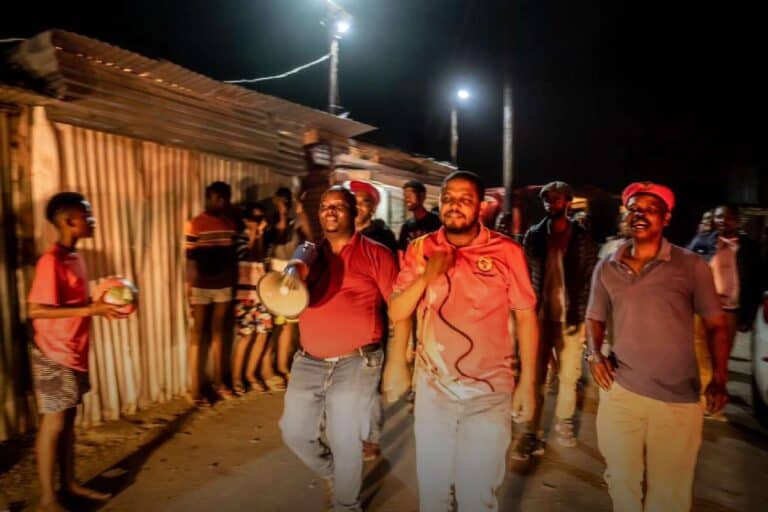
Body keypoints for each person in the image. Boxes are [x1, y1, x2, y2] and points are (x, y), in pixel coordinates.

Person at [390, 171, 539, 512]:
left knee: (478, 496)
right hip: (434, 391)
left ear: (480, 206)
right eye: (448, 198)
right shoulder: (420, 249)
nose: (454, 205)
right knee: (434, 494)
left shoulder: (507, 252)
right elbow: (397, 310)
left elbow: (526, 317)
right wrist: (427, 276)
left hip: (490, 392)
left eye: (464, 199)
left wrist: (528, 384)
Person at [586, 182, 730, 512]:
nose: (640, 215)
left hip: (677, 400)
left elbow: (716, 325)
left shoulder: (691, 265)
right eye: (634, 209)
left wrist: (720, 378)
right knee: (621, 481)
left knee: (669, 492)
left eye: (650, 210)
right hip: (620, 391)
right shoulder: (607, 266)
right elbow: (594, 317)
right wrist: (594, 354)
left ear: (666, 218)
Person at [279, 186, 398, 512]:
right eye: (324, 206)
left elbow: (398, 306)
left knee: (344, 437)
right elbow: (293, 274)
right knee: (294, 432)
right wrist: (292, 272)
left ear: (354, 213)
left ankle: (347, 504)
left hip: (357, 360)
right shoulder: (308, 250)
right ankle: (335, 472)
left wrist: (401, 357)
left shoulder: (377, 253)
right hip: (309, 360)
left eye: (339, 206)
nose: (330, 211)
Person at [28, 192, 128, 511]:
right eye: (87, 215)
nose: (93, 221)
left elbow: (74, 304)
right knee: (54, 424)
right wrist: (91, 310)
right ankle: (47, 499)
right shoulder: (51, 261)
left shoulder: (76, 257)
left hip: (74, 350)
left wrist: (102, 304)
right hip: (52, 353)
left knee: (69, 423)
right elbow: (36, 310)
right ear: (69, 221)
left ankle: (69, 484)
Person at [515, 181, 597, 456]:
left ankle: (563, 421)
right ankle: (531, 431)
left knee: (568, 374)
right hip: (540, 316)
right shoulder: (534, 235)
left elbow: (589, 280)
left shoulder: (582, 238)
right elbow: (525, 276)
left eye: (557, 199)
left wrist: (582, 317)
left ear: (568, 202)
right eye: (547, 199)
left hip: (571, 317)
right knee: (535, 374)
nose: (551, 204)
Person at [687, 204, 764, 420]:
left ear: (737, 220)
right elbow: (684, 266)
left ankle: (716, 403)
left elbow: (756, 283)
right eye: (719, 217)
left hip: (729, 311)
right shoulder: (702, 241)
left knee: (720, 358)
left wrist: (748, 316)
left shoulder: (749, 248)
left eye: (728, 218)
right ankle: (702, 400)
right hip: (702, 308)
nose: (723, 221)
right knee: (700, 354)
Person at [349, 180, 402, 461]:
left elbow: (391, 283)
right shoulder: (338, 235)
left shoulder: (382, 238)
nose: (358, 206)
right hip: (340, 320)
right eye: (354, 201)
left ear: (373, 208)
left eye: (364, 202)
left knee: (368, 380)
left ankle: (369, 437)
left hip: (370, 317)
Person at [184, 181, 237, 406]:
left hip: (223, 285)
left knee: (218, 333)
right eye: (217, 198)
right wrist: (188, 290)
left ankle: (218, 383)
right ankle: (196, 389)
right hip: (201, 285)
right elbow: (189, 260)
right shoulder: (195, 224)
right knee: (198, 335)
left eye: (224, 198)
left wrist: (233, 284)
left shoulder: (230, 224)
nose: (221, 203)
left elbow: (232, 258)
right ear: (208, 199)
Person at [266, 187, 314, 387]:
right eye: (281, 201)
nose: (283, 205)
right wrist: (283, 215)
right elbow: (280, 236)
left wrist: (301, 211)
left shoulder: (296, 222)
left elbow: (310, 239)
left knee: (289, 324)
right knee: (274, 326)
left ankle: (283, 366)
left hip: (291, 275)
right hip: (274, 277)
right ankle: (268, 369)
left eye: (286, 202)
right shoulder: (270, 223)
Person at [231, 202, 276, 395]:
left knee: (263, 334)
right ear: (245, 220)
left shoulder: (265, 238)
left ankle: (250, 375)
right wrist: (254, 234)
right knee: (246, 336)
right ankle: (236, 378)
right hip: (244, 295)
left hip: (262, 295)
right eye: (254, 219)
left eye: (260, 218)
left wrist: (260, 235)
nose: (258, 222)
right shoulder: (240, 238)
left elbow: (263, 260)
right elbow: (248, 255)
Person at [397, 180, 442, 252]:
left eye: (410, 195)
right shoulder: (406, 226)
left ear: (422, 196)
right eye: (405, 196)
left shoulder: (437, 222)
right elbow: (401, 251)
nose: (407, 199)